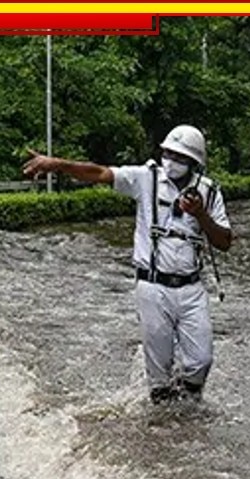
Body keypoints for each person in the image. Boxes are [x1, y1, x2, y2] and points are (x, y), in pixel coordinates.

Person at [21, 124, 233, 404]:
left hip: (192, 289)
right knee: (160, 372)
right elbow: (99, 172)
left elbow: (225, 241)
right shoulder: (145, 178)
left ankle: (187, 409)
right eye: (168, 153)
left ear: (194, 162)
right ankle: (165, 427)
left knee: (201, 362)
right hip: (152, 287)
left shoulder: (208, 191)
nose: (171, 161)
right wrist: (57, 164)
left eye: (180, 157)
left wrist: (201, 215)